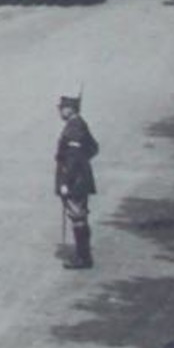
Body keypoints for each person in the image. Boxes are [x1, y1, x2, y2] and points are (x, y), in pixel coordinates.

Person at [54, 93, 98, 270]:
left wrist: (65, 182)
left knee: (78, 217)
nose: (60, 111)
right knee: (80, 216)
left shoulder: (73, 128)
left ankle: (83, 258)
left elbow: (71, 158)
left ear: (70, 109)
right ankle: (83, 255)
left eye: (62, 108)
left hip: (75, 181)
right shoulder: (79, 124)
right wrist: (84, 164)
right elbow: (93, 148)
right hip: (80, 178)